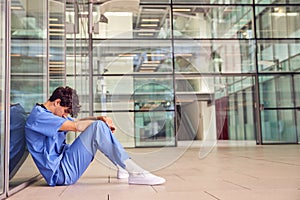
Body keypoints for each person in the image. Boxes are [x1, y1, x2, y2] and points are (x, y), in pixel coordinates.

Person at [25, 86, 165, 186]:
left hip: (65, 160)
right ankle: (135, 172)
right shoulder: (39, 117)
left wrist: (99, 118)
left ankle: (123, 166)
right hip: (60, 173)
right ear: (57, 102)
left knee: (98, 125)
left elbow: (78, 121)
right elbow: (76, 127)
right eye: (66, 112)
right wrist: (99, 124)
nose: (65, 116)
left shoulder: (50, 114)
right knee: (97, 127)